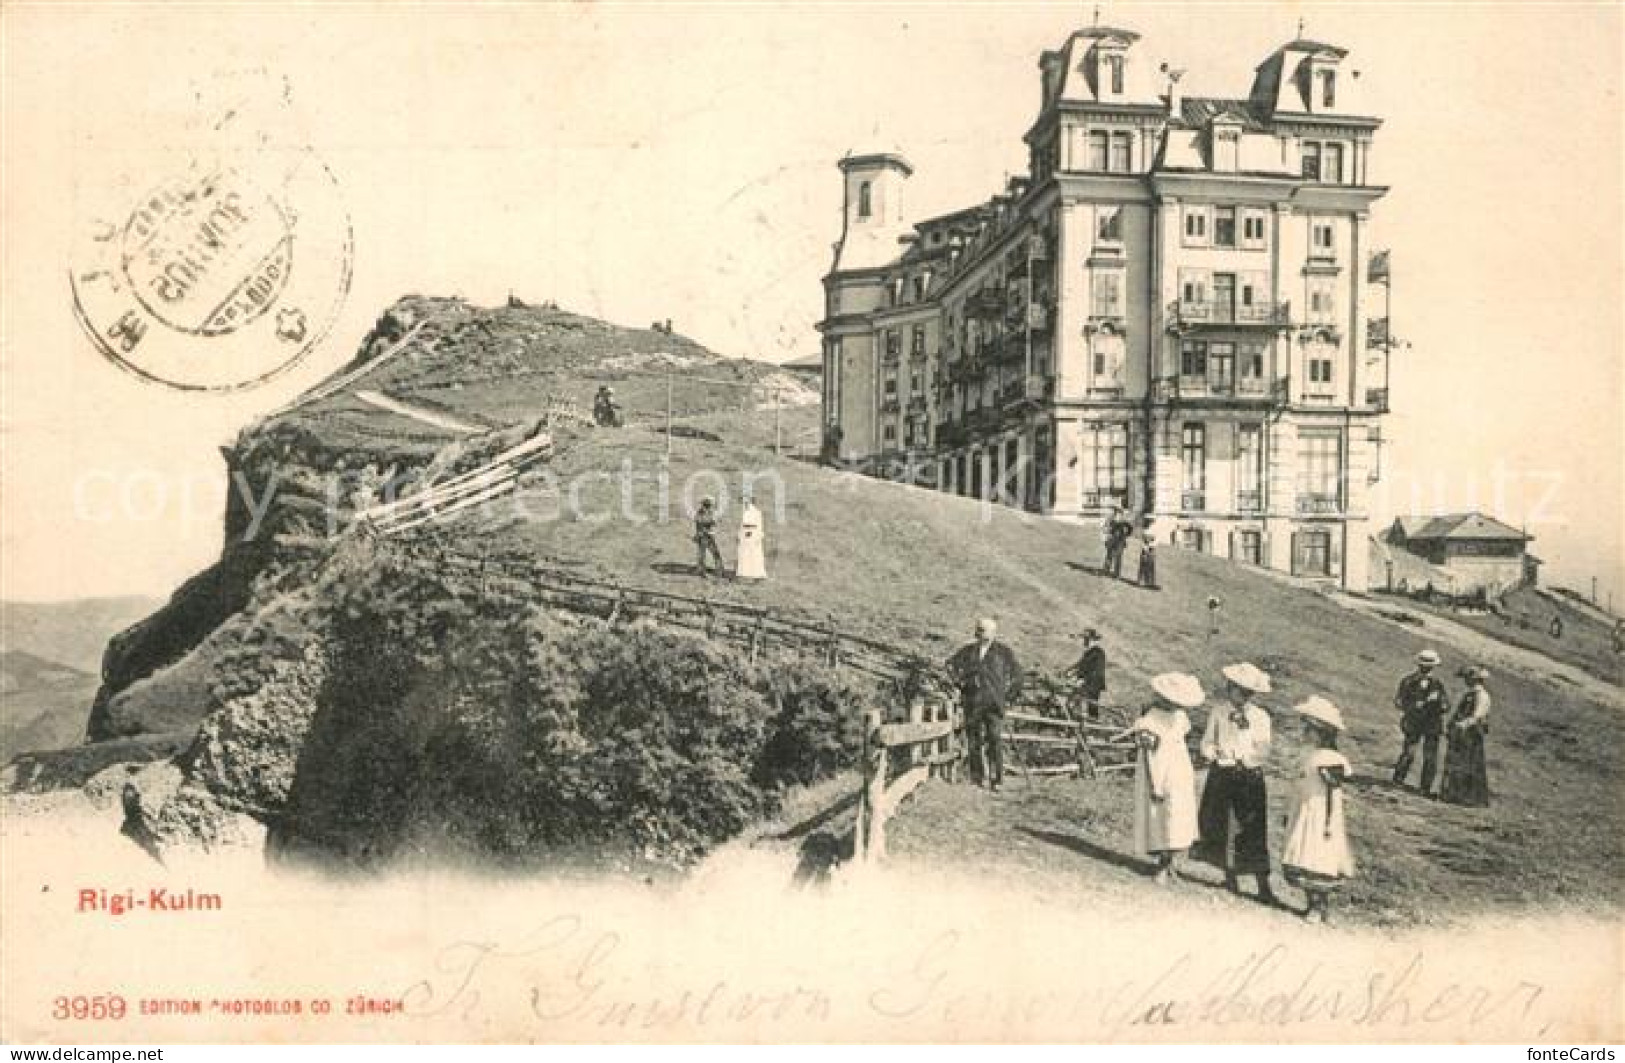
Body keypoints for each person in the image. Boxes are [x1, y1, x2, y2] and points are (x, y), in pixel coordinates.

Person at [1194, 662, 1276, 903]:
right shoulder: (1218, 712)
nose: (1242, 697)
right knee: (1223, 824)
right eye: (1238, 691)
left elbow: (1264, 748)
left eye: (1248, 693)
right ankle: (1230, 876)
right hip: (1224, 773)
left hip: (1249, 776)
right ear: (1229, 688)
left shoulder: (1260, 717)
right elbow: (1208, 742)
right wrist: (1214, 753)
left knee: (1252, 828)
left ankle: (1263, 884)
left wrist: (1246, 759)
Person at [1281, 696, 1356, 925]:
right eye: (1305, 726)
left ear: (1322, 733)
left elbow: (1334, 789)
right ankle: (1311, 903)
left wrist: (1327, 817)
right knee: (1303, 854)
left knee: (1319, 856)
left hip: (1321, 814)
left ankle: (1318, 906)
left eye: (1310, 728)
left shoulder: (1332, 758)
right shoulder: (1308, 755)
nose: (1305, 732)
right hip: (1304, 809)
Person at [1133, 673, 1203, 885]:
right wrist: (1156, 783)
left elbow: (1180, 740)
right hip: (1158, 770)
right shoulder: (1151, 718)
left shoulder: (1180, 717)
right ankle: (1161, 865)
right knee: (1162, 815)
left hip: (1179, 769)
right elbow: (1150, 754)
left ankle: (1170, 862)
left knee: (1178, 815)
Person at [946, 618, 1023, 792]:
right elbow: (949, 665)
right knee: (973, 740)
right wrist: (959, 683)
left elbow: (1018, 676)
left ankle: (996, 780)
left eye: (983, 630)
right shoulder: (968, 650)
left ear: (993, 633)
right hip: (972, 703)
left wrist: (1008, 697)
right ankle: (976, 778)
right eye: (978, 630)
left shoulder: (1003, 652)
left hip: (994, 705)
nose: (979, 633)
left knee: (994, 739)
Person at [1392, 648, 1450, 795]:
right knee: (1409, 752)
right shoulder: (1408, 681)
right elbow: (1398, 701)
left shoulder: (1438, 684)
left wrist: (1439, 704)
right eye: (1425, 665)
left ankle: (1425, 787)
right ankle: (1398, 780)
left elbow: (1446, 705)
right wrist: (1413, 706)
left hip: (1432, 723)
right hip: (1414, 721)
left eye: (1429, 666)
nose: (1427, 668)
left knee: (1430, 756)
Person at [1440, 666, 1492, 807]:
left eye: (1467, 678)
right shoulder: (1470, 694)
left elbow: (1478, 715)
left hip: (1471, 734)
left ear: (1474, 679)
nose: (1465, 681)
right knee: (1457, 762)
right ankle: (1454, 794)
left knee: (1469, 763)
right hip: (1462, 733)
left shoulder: (1482, 696)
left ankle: (1470, 798)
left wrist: (1463, 724)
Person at [1063, 628, 1107, 719]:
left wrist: (1084, 680)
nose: (1084, 642)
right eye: (1084, 639)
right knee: (1072, 700)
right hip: (1085, 683)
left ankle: (1092, 724)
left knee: (1090, 705)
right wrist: (1066, 672)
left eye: (1086, 639)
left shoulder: (1099, 653)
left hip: (1093, 683)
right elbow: (1079, 665)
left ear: (1093, 640)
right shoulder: (1088, 652)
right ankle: (1074, 720)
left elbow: (1098, 672)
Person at [735, 493, 766, 581]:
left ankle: (757, 574)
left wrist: (758, 536)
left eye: (746, 500)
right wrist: (739, 534)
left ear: (750, 500)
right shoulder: (744, 512)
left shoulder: (756, 512)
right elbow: (742, 525)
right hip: (745, 533)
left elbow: (759, 525)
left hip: (753, 534)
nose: (745, 502)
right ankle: (744, 573)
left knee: (754, 554)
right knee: (744, 553)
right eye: (744, 500)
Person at [693, 497, 725, 579]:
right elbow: (707, 522)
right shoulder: (703, 513)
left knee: (703, 554)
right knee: (712, 554)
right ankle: (718, 571)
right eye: (709, 504)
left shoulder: (703, 512)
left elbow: (711, 522)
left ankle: (703, 570)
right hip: (705, 536)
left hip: (704, 535)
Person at [1102, 507, 1130, 578]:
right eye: (1116, 514)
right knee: (1109, 556)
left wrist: (1126, 535)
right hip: (1111, 541)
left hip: (1120, 542)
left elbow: (1130, 529)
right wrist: (1107, 535)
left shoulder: (1125, 523)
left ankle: (1116, 574)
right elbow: (1105, 529)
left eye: (1119, 514)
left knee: (1118, 558)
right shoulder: (1111, 521)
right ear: (1115, 514)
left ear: (1121, 515)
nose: (1118, 515)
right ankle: (1106, 571)